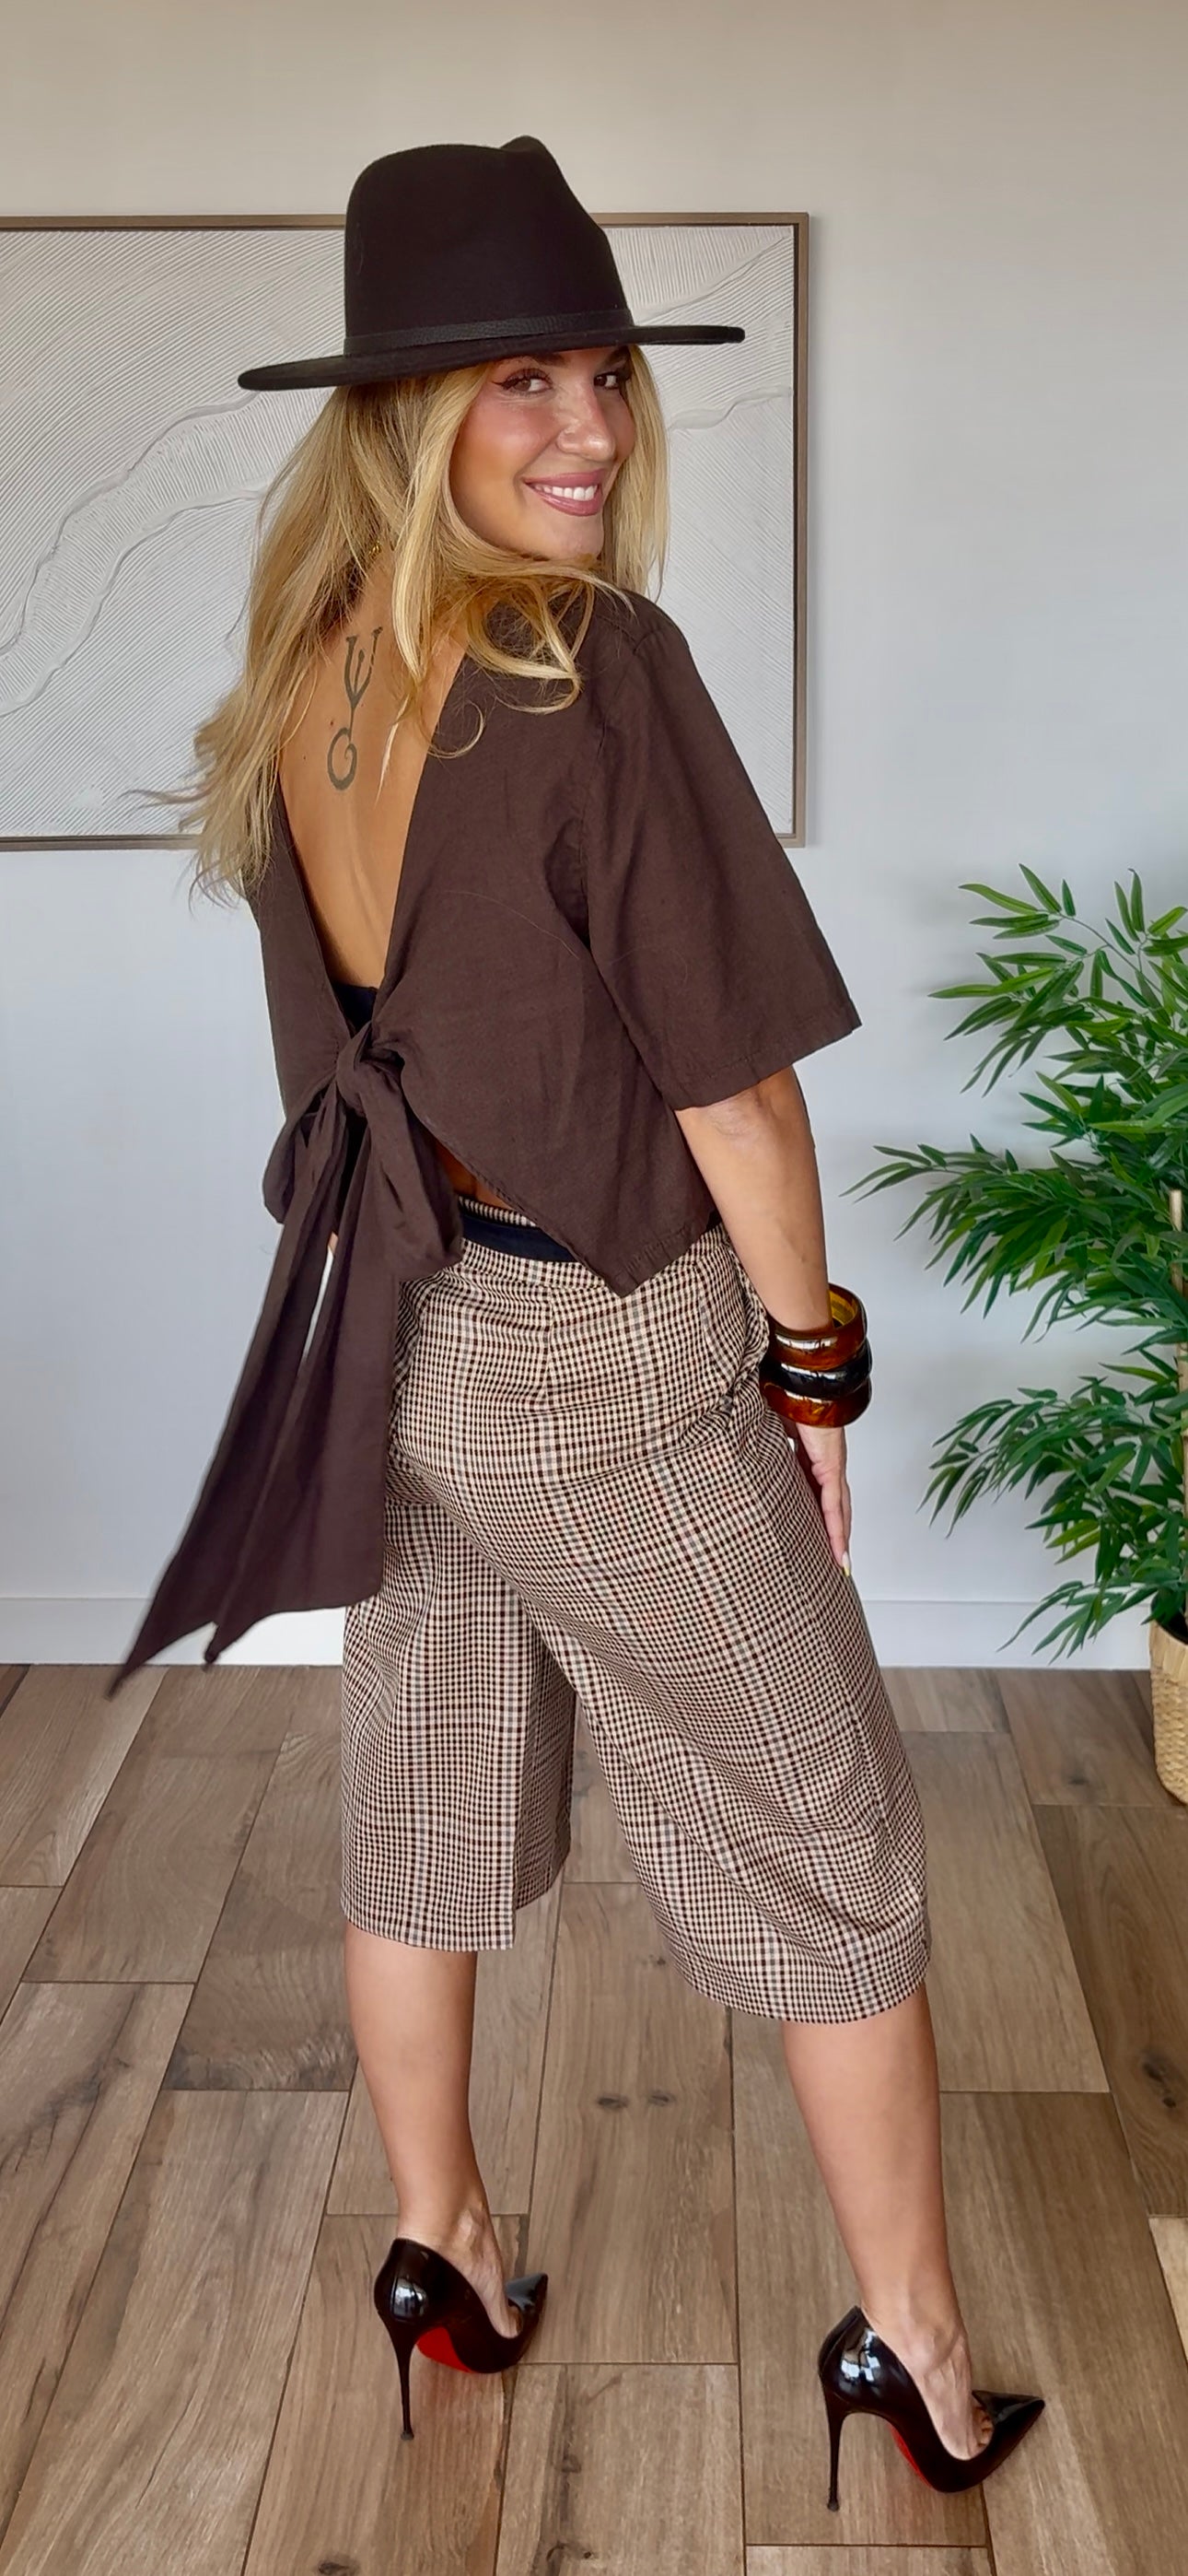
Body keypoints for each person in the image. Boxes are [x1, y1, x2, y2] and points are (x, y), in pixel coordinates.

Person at [109, 136, 1042, 2496]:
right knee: (834, 1840)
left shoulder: (307, 669)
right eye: (523, 379)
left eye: (606, 374)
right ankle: (916, 2350)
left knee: (420, 1793)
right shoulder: (586, 662)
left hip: (398, 1339)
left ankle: (440, 2241)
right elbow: (735, 1085)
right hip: (600, 1350)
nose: (591, 428)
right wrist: (814, 1359)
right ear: (408, 412)